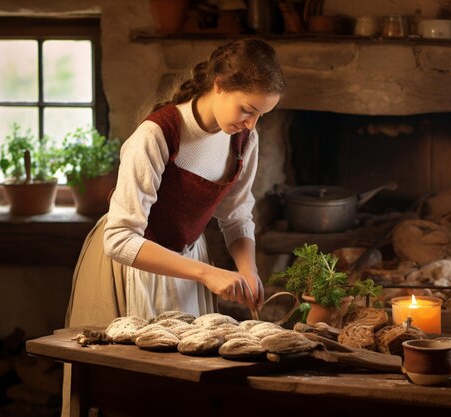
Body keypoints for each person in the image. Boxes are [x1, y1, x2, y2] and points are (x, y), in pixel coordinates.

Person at [61, 38, 285, 417]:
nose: (251, 122)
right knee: (124, 393)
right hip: (130, 265)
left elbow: (236, 215)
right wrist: (206, 273)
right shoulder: (156, 135)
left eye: (261, 114)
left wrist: (247, 269)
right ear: (218, 84)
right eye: (247, 109)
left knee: (182, 390)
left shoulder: (245, 138)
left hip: (186, 264)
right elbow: (119, 239)